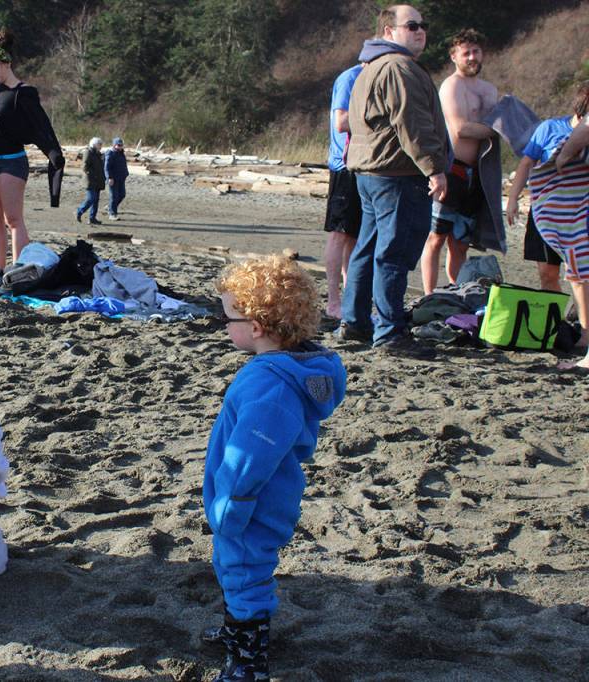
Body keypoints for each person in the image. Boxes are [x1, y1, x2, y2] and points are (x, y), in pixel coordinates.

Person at [201, 255, 346, 682]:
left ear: (257, 327)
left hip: (252, 501)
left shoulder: (271, 386)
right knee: (234, 567)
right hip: (261, 495)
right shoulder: (284, 372)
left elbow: (251, 455)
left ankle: (249, 657)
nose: (224, 325)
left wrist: (232, 502)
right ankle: (238, 630)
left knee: (245, 572)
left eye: (228, 317)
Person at [340, 4, 449, 353]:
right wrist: (435, 168)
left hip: (372, 172)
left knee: (368, 249)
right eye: (411, 25)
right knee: (393, 253)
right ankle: (389, 332)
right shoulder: (398, 67)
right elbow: (412, 124)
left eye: (423, 25)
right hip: (396, 175)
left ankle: (356, 323)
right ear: (389, 32)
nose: (420, 31)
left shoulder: (372, 67)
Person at [0, 29, 65, 283]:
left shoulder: (25, 93)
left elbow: (41, 125)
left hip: (13, 160)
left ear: (6, 63)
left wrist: (53, 152)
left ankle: (19, 269)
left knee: (12, 219)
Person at [506, 82, 589, 359]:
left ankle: (586, 332)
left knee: (580, 275)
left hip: (580, 215)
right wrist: (513, 198)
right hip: (545, 213)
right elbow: (527, 164)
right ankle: (555, 326)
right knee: (548, 274)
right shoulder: (550, 128)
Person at [419, 29, 500, 294]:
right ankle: (429, 295)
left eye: (476, 51)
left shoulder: (489, 90)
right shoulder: (451, 86)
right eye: (466, 53)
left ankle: (457, 293)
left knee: (461, 241)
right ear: (454, 56)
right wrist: (497, 129)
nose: (472, 57)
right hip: (451, 170)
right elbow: (460, 129)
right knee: (436, 237)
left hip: (477, 175)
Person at [323, 62, 364, 318]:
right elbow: (341, 121)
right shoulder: (351, 77)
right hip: (345, 165)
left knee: (355, 236)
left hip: (368, 166)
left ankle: (350, 298)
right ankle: (333, 301)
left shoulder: (378, 75)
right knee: (339, 233)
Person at [76, 136, 105, 225]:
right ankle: (79, 211)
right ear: (94, 144)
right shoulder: (88, 152)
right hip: (90, 180)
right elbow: (84, 166)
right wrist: (92, 175)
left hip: (98, 180)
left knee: (95, 200)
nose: (100, 146)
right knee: (91, 199)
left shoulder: (98, 154)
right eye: (99, 144)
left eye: (101, 144)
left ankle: (92, 218)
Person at [105, 137, 129, 220]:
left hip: (121, 178)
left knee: (122, 195)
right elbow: (107, 167)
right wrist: (109, 177)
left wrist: (126, 174)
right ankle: (112, 214)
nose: (120, 146)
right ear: (114, 145)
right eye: (118, 145)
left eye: (121, 145)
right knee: (114, 196)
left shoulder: (121, 153)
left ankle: (110, 207)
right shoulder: (110, 153)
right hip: (113, 179)